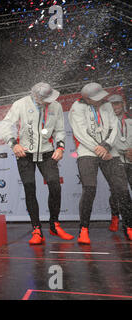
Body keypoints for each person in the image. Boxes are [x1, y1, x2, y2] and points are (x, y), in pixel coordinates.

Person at [0, 82, 73, 244]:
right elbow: (5, 125)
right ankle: (36, 229)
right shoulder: (20, 104)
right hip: (24, 153)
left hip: (47, 153)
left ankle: (54, 224)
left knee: (55, 185)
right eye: (45, 99)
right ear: (35, 96)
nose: (49, 101)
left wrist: (60, 147)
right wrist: (14, 144)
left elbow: (60, 129)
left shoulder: (56, 106)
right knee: (29, 188)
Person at [68, 83, 132, 243]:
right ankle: (83, 229)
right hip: (87, 151)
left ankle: (129, 227)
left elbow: (113, 127)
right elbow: (80, 132)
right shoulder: (76, 107)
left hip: (109, 149)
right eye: (96, 98)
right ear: (87, 98)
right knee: (89, 189)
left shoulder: (106, 105)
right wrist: (98, 149)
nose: (100, 100)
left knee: (122, 189)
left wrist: (106, 146)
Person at [107, 94, 132, 232]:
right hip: (115, 160)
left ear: (123, 104)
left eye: (117, 104)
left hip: (131, 158)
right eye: (112, 104)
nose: (115, 107)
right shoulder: (106, 122)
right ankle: (117, 217)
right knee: (119, 192)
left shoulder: (130, 118)